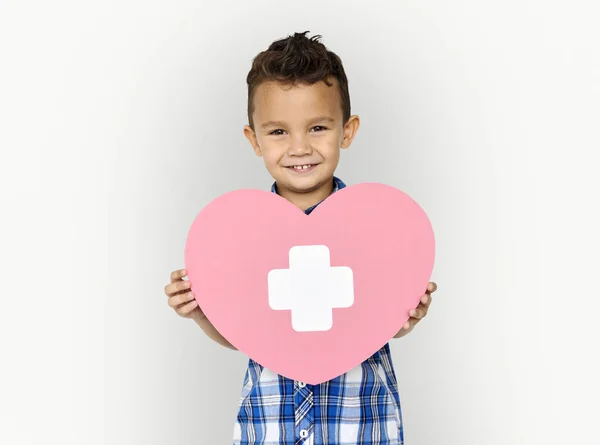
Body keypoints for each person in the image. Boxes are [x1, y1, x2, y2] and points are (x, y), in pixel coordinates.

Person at [164, 31, 438, 445]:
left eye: (317, 127)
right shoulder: (242, 239)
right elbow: (244, 332)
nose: (299, 147)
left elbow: (377, 322)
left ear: (347, 131)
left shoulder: (376, 231)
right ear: (253, 139)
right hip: (271, 427)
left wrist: (407, 314)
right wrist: (201, 312)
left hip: (360, 426)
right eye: (278, 132)